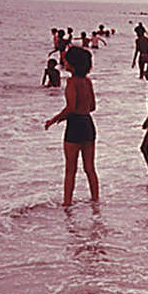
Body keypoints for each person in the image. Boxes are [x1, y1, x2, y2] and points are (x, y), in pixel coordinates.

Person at [44, 46, 99, 207]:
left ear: (72, 65)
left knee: (70, 169)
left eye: (66, 60)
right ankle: (95, 200)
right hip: (88, 124)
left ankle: (67, 203)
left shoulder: (71, 82)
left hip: (74, 125)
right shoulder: (87, 82)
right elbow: (92, 107)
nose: (64, 62)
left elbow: (71, 107)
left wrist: (54, 120)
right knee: (90, 167)